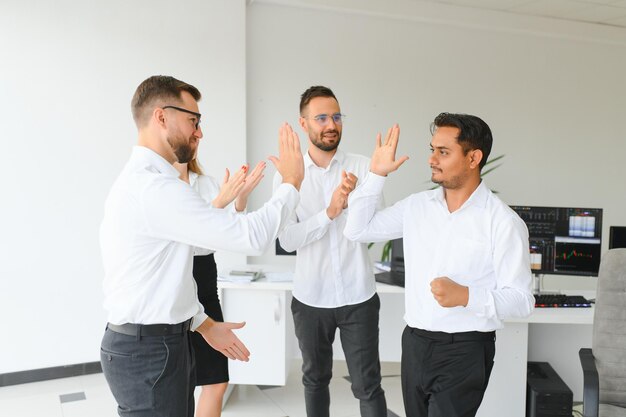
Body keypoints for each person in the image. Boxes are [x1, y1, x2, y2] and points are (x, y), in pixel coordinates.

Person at [99, 75, 303, 417]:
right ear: (162, 117)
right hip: (149, 351)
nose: (199, 132)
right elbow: (250, 235)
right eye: (193, 120)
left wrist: (203, 324)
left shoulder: (149, 183)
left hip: (154, 345)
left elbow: (164, 275)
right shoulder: (154, 188)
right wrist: (291, 184)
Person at [343, 113, 535, 417]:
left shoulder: (502, 222)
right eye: (432, 150)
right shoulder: (417, 206)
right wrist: (377, 174)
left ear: (473, 158)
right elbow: (357, 230)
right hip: (416, 342)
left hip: (465, 349)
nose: (432, 159)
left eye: (443, 152)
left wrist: (467, 296)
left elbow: (522, 300)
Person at [273, 86, 387, 417]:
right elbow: (287, 240)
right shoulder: (288, 176)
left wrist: (360, 198)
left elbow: (377, 228)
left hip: (358, 296)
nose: (330, 124)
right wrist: (330, 212)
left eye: (336, 116)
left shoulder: (364, 167)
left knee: (368, 385)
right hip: (311, 299)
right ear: (303, 123)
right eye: (321, 117)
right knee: (314, 381)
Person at [174, 157, 265, 417]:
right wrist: (219, 204)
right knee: (179, 381)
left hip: (203, 279)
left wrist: (240, 200)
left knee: (216, 379)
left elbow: (227, 232)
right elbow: (182, 240)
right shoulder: (162, 185)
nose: (195, 136)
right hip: (175, 279)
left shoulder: (205, 183)